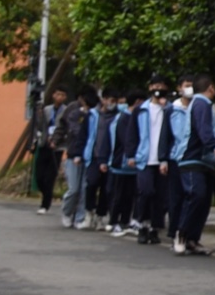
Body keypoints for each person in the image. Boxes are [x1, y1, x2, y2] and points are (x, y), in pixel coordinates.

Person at [166, 73, 215, 255]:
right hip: (192, 157)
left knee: (203, 201)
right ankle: (181, 234)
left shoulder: (204, 105)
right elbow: (203, 130)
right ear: (211, 87)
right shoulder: (201, 103)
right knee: (195, 195)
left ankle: (192, 239)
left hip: (206, 161)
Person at [133, 76, 174, 247]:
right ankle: (142, 224)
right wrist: (130, 154)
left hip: (163, 159)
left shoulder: (171, 109)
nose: (158, 89)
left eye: (161, 86)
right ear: (149, 88)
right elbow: (132, 133)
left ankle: (154, 228)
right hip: (144, 158)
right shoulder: (141, 110)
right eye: (155, 86)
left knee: (160, 196)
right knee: (146, 191)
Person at [102, 86, 142, 235]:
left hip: (132, 166)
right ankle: (113, 222)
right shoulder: (123, 118)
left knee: (129, 196)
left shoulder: (132, 117)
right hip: (120, 163)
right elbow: (126, 141)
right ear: (137, 102)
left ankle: (124, 222)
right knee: (117, 195)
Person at [58, 85, 97, 230]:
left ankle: (80, 217)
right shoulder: (75, 114)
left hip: (89, 155)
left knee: (84, 188)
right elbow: (76, 131)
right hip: (74, 154)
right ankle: (67, 212)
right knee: (74, 188)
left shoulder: (94, 114)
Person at [32, 86, 68, 211]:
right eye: (58, 94)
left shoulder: (66, 111)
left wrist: (56, 140)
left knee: (50, 176)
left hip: (57, 147)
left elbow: (65, 129)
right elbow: (40, 126)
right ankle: (46, 194)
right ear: (53, 95)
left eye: (63, 95)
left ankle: (45, 204)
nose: (60, 97)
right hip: (44, 144)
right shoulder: (47, 109)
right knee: (39, 175)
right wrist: (39, 114)